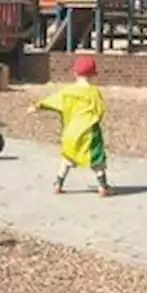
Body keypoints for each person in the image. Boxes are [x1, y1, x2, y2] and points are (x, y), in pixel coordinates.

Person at [27, 56, 113, 197]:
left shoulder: (67, 92)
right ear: (92, 75)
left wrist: (37, 106)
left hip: (70, 132)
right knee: (97, 159)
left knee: (68, 157)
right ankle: (103, 186)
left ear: (75, 73)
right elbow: (100, 110)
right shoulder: (94, 93)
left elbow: (52, 101)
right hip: (88, 132)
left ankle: (58, 183)